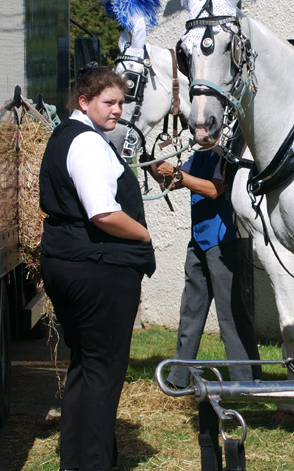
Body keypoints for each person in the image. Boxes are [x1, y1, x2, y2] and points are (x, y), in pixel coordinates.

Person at [39, 65, 156, 471]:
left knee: (87, 366)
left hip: (72, 262)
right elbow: (103, 213)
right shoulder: (86, 143)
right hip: (95, 269)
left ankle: (79, 460)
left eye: (122, 103)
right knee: (103, 371)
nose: (117, 110)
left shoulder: (67, 135)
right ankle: (91, 463)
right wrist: (143, 234)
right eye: (108, 102)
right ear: (84, 102)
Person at [146, 148, 261, 388]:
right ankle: (178, 377)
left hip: (225, 242)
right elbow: (171, 182)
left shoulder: (227, 155)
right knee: (190, 309)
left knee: (232, 314)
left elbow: (213, 189)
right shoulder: (200, 156)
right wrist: (151, 163)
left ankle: (248, 381)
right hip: (199, 240)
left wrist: (178, 174)